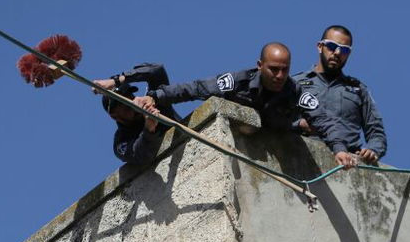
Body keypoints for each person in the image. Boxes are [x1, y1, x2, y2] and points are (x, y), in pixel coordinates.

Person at [135, 43, 359, 169]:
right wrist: (156, 96)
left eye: (285, 69)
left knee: (316, 125)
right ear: (260, 65)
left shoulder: (295, 91)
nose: (280, 76)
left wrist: (339, 150)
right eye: (273, 69)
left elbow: (325, 119)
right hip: (249, 133)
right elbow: (196, 88)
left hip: (281, 131)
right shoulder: (238, 81)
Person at [293, 25, 387, 165]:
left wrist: (373, 150)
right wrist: (298, 124)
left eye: (344, 50)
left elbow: (376, 132)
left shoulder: (358, 89)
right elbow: (275, 117)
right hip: (302, 157)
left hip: (347, 165)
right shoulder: (296, 83)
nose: (337, 53)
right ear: (320, 46)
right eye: (331, 46)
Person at [92, 63, 182, 165]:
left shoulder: (152, 102)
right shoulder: (121, 140)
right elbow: (140, 155)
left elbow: (156, 70)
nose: (130, 101)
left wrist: (118, 80)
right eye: (123, 102)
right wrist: (149, 129)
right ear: (114, 115)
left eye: (129, 95)